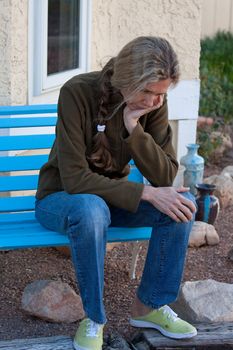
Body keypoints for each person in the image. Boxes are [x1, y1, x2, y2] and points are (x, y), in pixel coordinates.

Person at [35, 36, 197, 350]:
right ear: (126, 80)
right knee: (91, 209)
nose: (155, 101)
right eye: (148, 92)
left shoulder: (153, 105)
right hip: (61, 200)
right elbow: (74, 180)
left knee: (182, 204)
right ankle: (94, 319)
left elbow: (165, 175)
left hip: (112, 200)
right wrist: (147, 194)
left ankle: (149, 307)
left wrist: (135, 130)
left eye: (161, 94)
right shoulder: (77, 93)